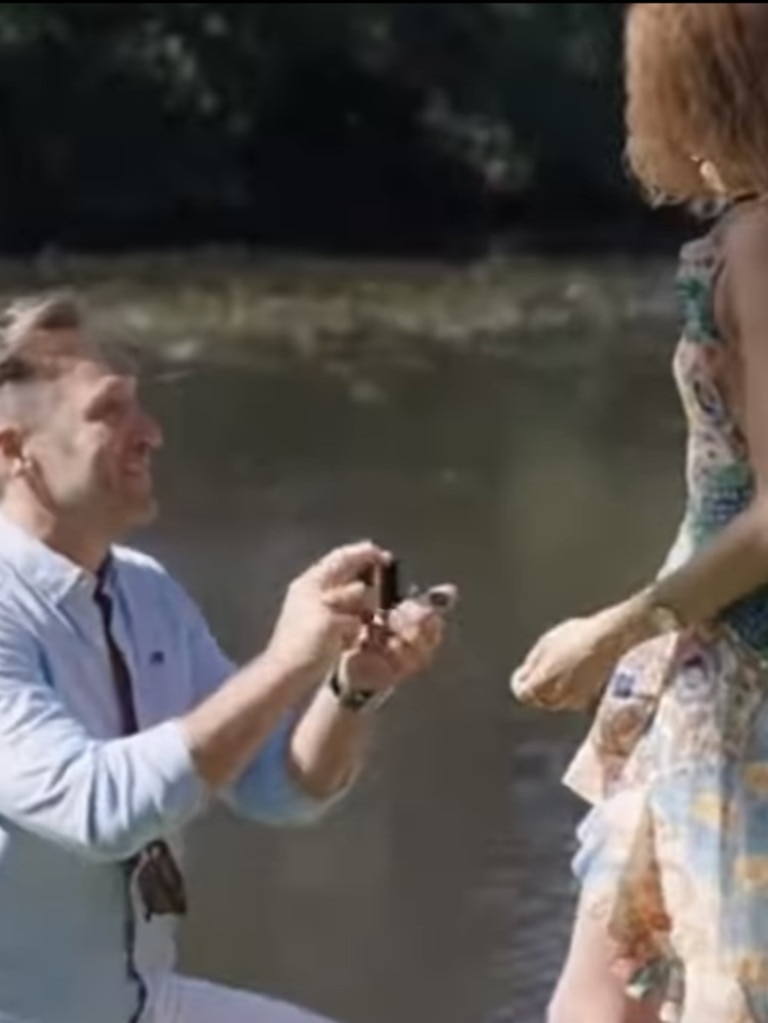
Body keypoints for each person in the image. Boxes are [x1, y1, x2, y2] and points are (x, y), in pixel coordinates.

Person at [0, 289, 457, 1023]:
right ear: (14, 449)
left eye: (140, 406)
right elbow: (101, 810)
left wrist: (350, 687)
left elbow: (277, 787)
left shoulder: (146, 591)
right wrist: (284, 662)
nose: (150, 433)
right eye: (108, 410)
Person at [510, 5, 768, 1023]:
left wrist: (612, 628)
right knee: (608, 979)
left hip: (738, 667)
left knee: (694, 987)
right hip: (699, 660)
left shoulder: (757, 245)